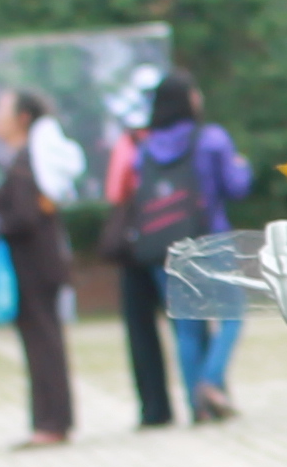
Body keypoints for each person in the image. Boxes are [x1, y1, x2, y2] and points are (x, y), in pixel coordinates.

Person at [103, 73, 263, 428]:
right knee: (233, 316)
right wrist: (243, 166)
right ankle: (210, 380)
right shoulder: (211, 139)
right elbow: (236, 188)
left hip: (167, 248)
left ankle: (199, 407)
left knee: (186, 329)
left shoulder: (145, 148)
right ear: (189, 100)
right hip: (211, 241)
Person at [0, 88, 75, 445]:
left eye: (2, 109)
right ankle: (50, 420)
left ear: (22, 119)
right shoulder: (26, 158)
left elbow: (23, 217)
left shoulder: (27, 161)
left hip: (34, 265)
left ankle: (52, 423)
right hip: (39, 263)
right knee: (42, 340)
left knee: (43, 343)